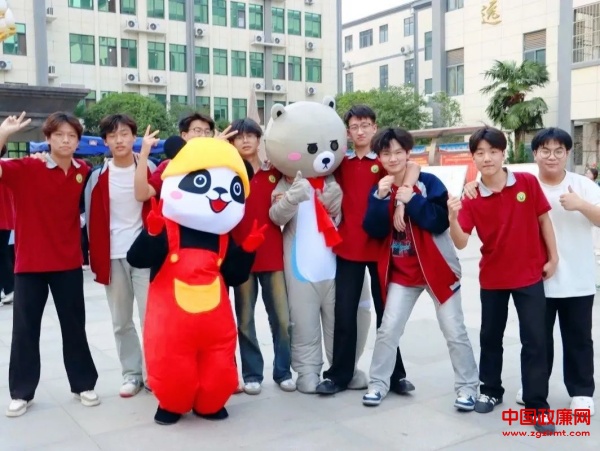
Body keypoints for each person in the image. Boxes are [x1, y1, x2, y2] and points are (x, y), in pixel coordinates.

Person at [463, 127, 599, 416]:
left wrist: (580, 205)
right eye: (545, 150)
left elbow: (552, 220)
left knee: (577, 338)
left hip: (575, 278)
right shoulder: (525, 182)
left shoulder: (580, 185)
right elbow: (490, 188)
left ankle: (580, 392)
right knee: (537, 339)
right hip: (538, 278)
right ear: (534, 153)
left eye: (559, 151)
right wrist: (470, 188)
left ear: (567, 153)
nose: (552, 156)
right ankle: (531, 388)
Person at [447, 126, 558, 433]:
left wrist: (553, 257)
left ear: (503, 153)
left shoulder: (526, 182)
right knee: (490, 337)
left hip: (529, 274)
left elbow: (543, 219)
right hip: (493, 277)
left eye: (493, 152)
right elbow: (460, 242)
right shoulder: (470, 197)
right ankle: (491, 390)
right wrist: (452, 217)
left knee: (535, 339)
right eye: (480, 153)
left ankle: (536, 404)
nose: (487, 158)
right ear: (473, 158)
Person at [361, 127, 479, 410]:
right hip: (402, 275)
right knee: (388, 329)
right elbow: (374, 230)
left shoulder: (428, 183)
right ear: (379, 157)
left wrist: (409, 199)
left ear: (407, 153)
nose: (392, 158)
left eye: (398, 152)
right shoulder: (380, 187)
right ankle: (378, 383)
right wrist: (381, 199)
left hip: (438, 270)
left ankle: (468, 388)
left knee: (454, 331)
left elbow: (438, 221)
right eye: (386, 153)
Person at [0, 112, 99, 418]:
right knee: (25, 331)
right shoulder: (29, 167)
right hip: (30, 264)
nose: (65, 140)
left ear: (78, 141)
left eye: (71, 136)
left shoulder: (83, 170)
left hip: (67, 263)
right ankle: (21, 392)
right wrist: (3, 134)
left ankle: (83, 384)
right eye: (59, 135)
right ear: (48, 138)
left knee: (74, 327)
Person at [317, 105, 417, 396]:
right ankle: (338, 375)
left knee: (388, 314)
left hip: (381, 248)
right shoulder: (340, 162)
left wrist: (402, 200)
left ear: (375, 127)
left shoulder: (384, 159)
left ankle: (395, 375)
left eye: (365, 125)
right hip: (347, 248)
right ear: (347, 132)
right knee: (344, 314)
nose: (360, 131)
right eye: (354, 126)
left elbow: (412, 167)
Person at [84, 115, 156, 398]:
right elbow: (89, 217)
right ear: (105, 141)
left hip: (144, 254)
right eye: (112, 135)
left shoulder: (150, 167)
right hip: (112, 254)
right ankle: (132, 374)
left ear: (134, 137)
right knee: (121, 321)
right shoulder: (97, 176)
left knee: (151, 318)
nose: (119, 140)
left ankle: (154, 374)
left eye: (124, 134)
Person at [228, 118, 295, 394]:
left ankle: (283, 371)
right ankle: (252, 373)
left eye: (250, 136)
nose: (245, 141)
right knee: (245, 320)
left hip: (271, 254)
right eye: (239, 137)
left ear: (259, 140)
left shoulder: (275, 172)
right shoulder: (229, 175)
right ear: (232, 142)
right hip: (241, 256)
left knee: (282, 319)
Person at [134, 113, 236, 202]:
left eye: (207, 132)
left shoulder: (217, 165)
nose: (203, 136)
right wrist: (144, 154)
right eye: (198, 130)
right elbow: (142, 195)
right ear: (184, 135)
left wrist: (219, 151)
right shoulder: (169, 165)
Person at [0, 144, 15, 305]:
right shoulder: (7, 167)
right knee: (3, 254)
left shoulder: (4, 168)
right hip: (6, 219)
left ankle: (10, 288)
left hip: (2, 218)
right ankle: (9, 288)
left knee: (3, 255)